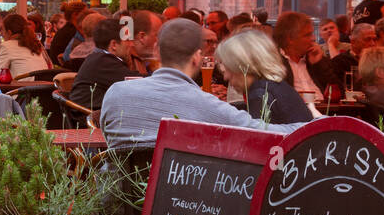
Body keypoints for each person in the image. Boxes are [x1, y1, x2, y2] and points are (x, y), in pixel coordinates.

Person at [99, 19, 309, 152]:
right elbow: (263, 132)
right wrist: (321, 123)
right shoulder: (206, 105)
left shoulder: (115, 93)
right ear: (198, 57)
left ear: (156, 50)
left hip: (117, 209)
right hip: (180, 206)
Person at [215, 27, 314, 125]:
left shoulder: (260, 94)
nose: (226, 77)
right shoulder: (274, 87)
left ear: (244, 65)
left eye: (228, 68)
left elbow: (260, 138)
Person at [69, 16, 138, 111]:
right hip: (89, 121)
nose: (132, 44)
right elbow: (136, 83)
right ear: (114, 45)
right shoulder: (103, 61)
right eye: (127, 40)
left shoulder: (99, 58)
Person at [273, 11, 334, 98]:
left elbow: (339, 92)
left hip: (325, 110)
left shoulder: (315, 59)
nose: (313, 38)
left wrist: (318, 64)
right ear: (290, 39)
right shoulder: (275, 64)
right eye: (307, 35)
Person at [0, 13, 52, 79]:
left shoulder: (7, 45)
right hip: (45, 86)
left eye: (2, 30)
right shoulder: (35, 43)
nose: (1, 33)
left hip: (24, 87)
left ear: (9, 32)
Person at [330, 23, 377, 92]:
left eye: (374, 39)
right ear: (353, 42)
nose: (373, 44)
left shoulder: (379, 62)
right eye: (368, 39)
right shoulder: (339, 62)